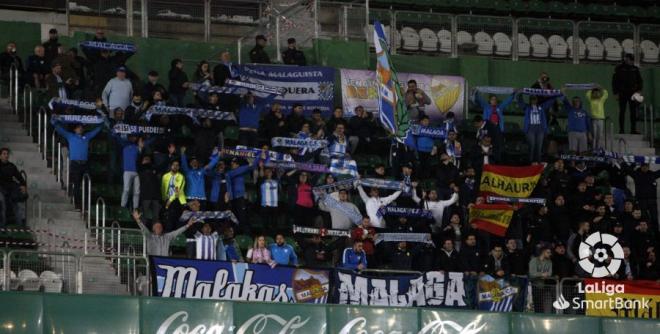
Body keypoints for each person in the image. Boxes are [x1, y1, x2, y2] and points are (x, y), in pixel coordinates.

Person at [51, 119, 103, 209]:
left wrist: (103, 122)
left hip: (85, 164)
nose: (80, 129)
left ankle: (86, 205)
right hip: (75, 164)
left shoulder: (87, 136)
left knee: (87, 185)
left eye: (81, 128)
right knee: (76, 185)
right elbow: (60, 130)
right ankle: (77, 204)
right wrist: (54, 121)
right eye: (78, 128)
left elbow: (96, 130)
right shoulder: (70, 136)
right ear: (75, 129)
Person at [516, 92, 557, 163]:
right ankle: (530, 162)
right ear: (530, 100)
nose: (534, 100)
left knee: (539, 147)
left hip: (540, 128)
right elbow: (520, 102)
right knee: (532, 146)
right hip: (530, 128)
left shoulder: (541, 107)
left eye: (535, 99)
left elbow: (550, 102)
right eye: (532, 99)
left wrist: (557, 94)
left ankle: (538, 162)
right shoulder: (527, 107)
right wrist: (520, 93)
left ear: (537, 100)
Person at [612, 53, 643, 134]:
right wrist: (616, 93)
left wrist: (639, 90)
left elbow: (640, 80)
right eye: (630, 60)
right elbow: (614, 82)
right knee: (622, 111)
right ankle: (621, 130)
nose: (631, 61)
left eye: (632, 60)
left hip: (633, 93)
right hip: (622, 93)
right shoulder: (619, 68)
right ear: (626, 59)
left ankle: (633, 129)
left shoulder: (635, 69)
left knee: (633, 112)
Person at [0, 148, 27, 227]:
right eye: (4, 154)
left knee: (17, 205)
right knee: (2, 203)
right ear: (0, 155)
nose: (6, 155)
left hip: (10, 188)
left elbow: (20, 177)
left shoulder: (11, 166)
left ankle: (20, 226)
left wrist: (23, 185)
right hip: (1, 188)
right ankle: (2, 226)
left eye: (7, 154)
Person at [161, 160, 186, 232]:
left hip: (177, 200)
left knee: (175, 217)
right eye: (174, 165)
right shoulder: (165, 176)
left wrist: (170, 200)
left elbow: (177, 190)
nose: (175, 166)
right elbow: (163, 188)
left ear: (179, 167)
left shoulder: (181, 176)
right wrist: (164, 199)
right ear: (171, 166)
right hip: (167, 200)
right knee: (166, 217)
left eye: (177, 165)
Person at [138, 155, 161, 223]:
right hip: (145, 196)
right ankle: (143, 231)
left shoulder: (155, 170)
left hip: (155, 196)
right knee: (143, 216)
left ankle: (155, 232)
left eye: (148, 159)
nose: (147, 160)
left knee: (156, 217)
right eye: (145, 159)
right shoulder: (139, 170)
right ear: (142, 161)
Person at [585, 86, 608, 150]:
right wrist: (592, 88)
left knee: (599, 135)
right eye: (594, 93)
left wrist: (600, 87)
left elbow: (606, 93)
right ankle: (593, 149)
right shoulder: (591, 100)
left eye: (597, 93)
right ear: (593, 94)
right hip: (594, 120)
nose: (596, 94)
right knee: (594, 135)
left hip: (601, 119)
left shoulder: (601, 100)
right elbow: (587, 94)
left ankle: (598, 149)